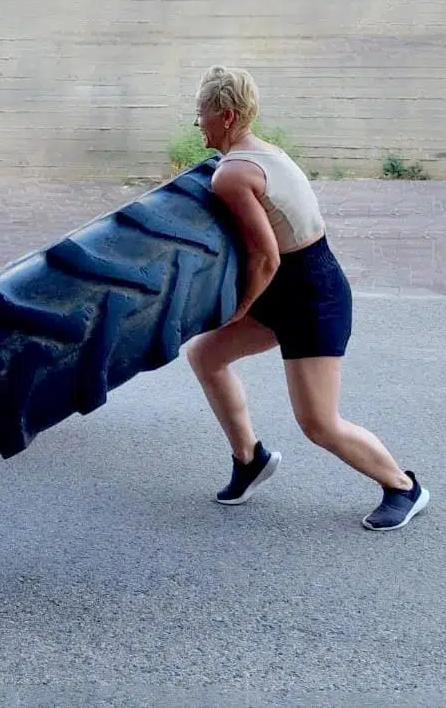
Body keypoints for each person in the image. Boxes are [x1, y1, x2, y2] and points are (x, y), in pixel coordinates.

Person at [183, 66, 429, 531]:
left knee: (319, 423)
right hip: (293, 286)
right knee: (206, 354)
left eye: (202, 113)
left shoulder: (231, 175)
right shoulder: (262, 151)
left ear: (227, 116)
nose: (197, 123)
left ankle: (403, 487)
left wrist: (239, 310)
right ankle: (250, 459)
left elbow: (266, 257)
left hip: (311, 298)